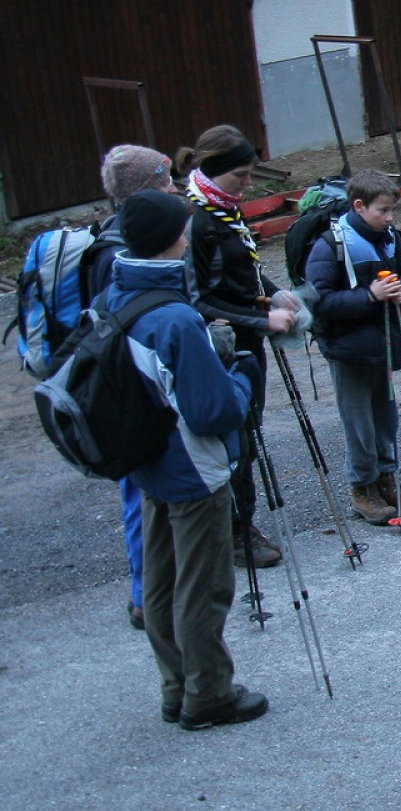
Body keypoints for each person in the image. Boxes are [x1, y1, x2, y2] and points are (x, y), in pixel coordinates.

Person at [107, 190, 267, 729]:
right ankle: (209, 695)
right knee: (204, 585)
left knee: (162, 578)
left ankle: (176, 686)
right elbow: (213, 411)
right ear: (173, 238)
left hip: (147, 458)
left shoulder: (118, 294)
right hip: (192, 467)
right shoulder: (174, 320)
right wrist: (242, 373)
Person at [175, 125, 296, 569]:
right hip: (219, 346)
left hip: (247, 340)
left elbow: (244, 268)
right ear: (212, 170)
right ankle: (233, 532)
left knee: (248, 433)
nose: (248, 184)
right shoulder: (196, 219)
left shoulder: (224, 209)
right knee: (233, 437)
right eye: (241, 175)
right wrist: (261, 319)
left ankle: (241, 523)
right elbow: (196, 299)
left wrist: (273, 291)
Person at [87, 144, 177, 631]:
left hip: (134, 384)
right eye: (164, 181)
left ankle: (155, 587)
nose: (174, 188)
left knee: (144, 493)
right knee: (139, 495)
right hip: (131, 391)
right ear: (144, 189)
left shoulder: (118, 237)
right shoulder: (119, 249)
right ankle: (146, 594)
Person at [304, 170, 401, 523]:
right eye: (383, 211)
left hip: (385, 344)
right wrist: (370, 296)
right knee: (359, 421)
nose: (390, 218)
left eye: (392, 211)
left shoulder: (388, 238)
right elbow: (320, 301)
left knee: (385, 417)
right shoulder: (329, 245)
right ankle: (362, 489)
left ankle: (387, 481)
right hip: (348, 350)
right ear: (358, 206)